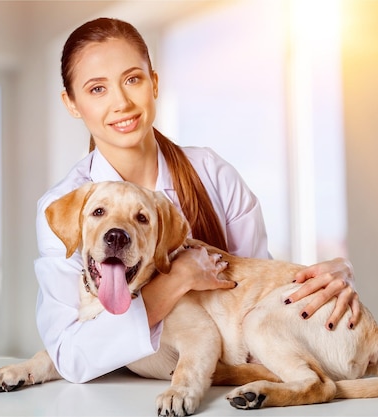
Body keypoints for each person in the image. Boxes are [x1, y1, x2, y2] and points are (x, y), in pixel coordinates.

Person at [34, 17, 359, 384]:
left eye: (132, 79)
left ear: (153, 83)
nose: (121, 102)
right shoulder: (64, 205)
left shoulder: (212, 173)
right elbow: (72, 357)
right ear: (72, 103)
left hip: (234, 386)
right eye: (97, 89)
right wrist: (179, 279)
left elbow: (254, 288)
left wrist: (330, 275)